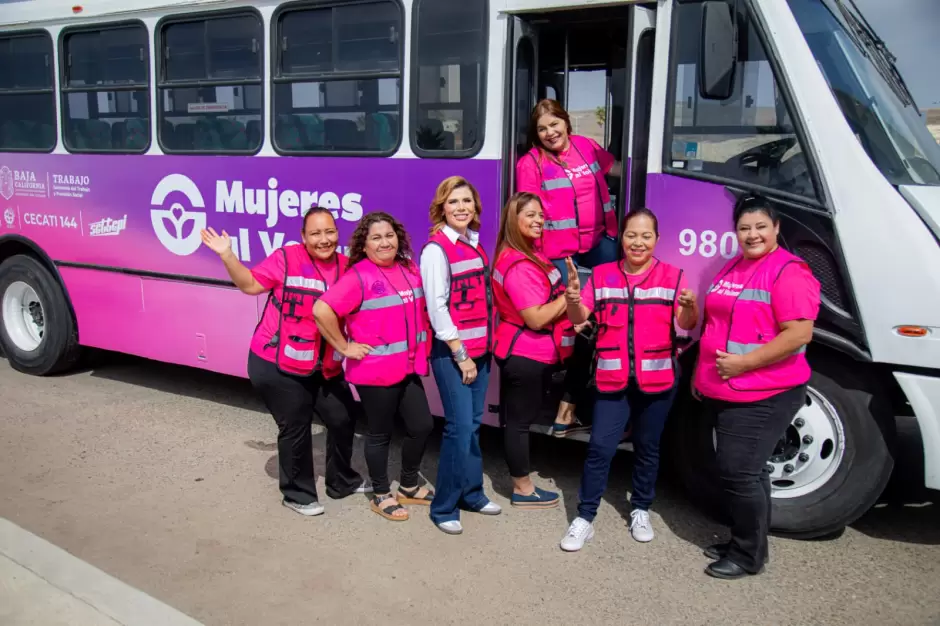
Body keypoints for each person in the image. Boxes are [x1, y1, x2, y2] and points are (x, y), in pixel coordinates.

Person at [200, 206, 368, 517]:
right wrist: (227, 255)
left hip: (323, 366)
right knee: (296, 424)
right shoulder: (287, 259)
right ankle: (297, 493)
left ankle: (341, 480)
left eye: (329, 232)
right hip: (276, 363)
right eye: (315, 233)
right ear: (303, 237)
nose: (323, 239)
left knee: (343, 416)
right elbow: (250, 285)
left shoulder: (348, 267)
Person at [693, 196, 820, 580]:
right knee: (750, 472)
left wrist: (745, 363)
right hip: (729, 387)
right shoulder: (735, 265)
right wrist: (704, 379)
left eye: (761, 227)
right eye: (745, 228)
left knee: (739, 473)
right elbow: (717, 327)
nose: (752, 235)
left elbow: (799, 334)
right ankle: (748, 542)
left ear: (776, 228)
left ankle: (748, 556)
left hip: (763, 391)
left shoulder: (788, 271)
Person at [558, 208, 698, 551]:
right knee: (599, 449)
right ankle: (585, 518)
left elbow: (688, 323)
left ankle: (641, 509)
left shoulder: (673, 276)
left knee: (648, 449)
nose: (638, 242)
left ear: (656, 239)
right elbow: (580, 318)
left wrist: (691, 306)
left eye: (645, 236)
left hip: (658, 382)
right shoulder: (603, 275)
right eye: (631, 235)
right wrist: (574, 299)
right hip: (611, 380)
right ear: (621, 238)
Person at [314, 211, 435, 522]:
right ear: (364, 246)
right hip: (375, 372)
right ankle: (380, 493)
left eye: (389, 236)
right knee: (379, 434)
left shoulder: (409, 268)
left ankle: (408, 484)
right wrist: (344, 347)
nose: (385, 242)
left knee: (422, 425)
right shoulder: (358, 277)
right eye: (376, 238)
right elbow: (322, 309)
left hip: (406, 368)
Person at [516, 98, 623, 436]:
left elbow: (616, 169)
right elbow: (527, 212)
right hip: (560, 254)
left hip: (601, 243)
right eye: (542, 128)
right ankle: (567, 405)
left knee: (608, 315)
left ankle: (591, 394)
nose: (550, 132)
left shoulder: (586, 147)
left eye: (554, 124)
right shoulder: (530, 163)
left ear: (566, 122)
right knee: (579, 322)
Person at [420, 176, 502, 535]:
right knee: (457, 428)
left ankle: (472, 493)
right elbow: (437, 308)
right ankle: (444, 507)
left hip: (479, 351)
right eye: (453, 202)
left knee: (471, 425)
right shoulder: (436, 250)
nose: (461, 208)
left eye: (467, 201)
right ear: (442, 208)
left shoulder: (474, 244)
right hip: (454, 353)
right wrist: (461, 353)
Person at [491, 192, 576, 509]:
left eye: (541, 214)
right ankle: (523, 490)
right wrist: (569, 296)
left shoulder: (530, 253)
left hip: (535, 353)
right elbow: (536, 317)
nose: (539, 219)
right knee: (519, 423)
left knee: (522, 420)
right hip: (525, 355)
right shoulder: (517, 265)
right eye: (531, 215)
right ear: (514, 219)